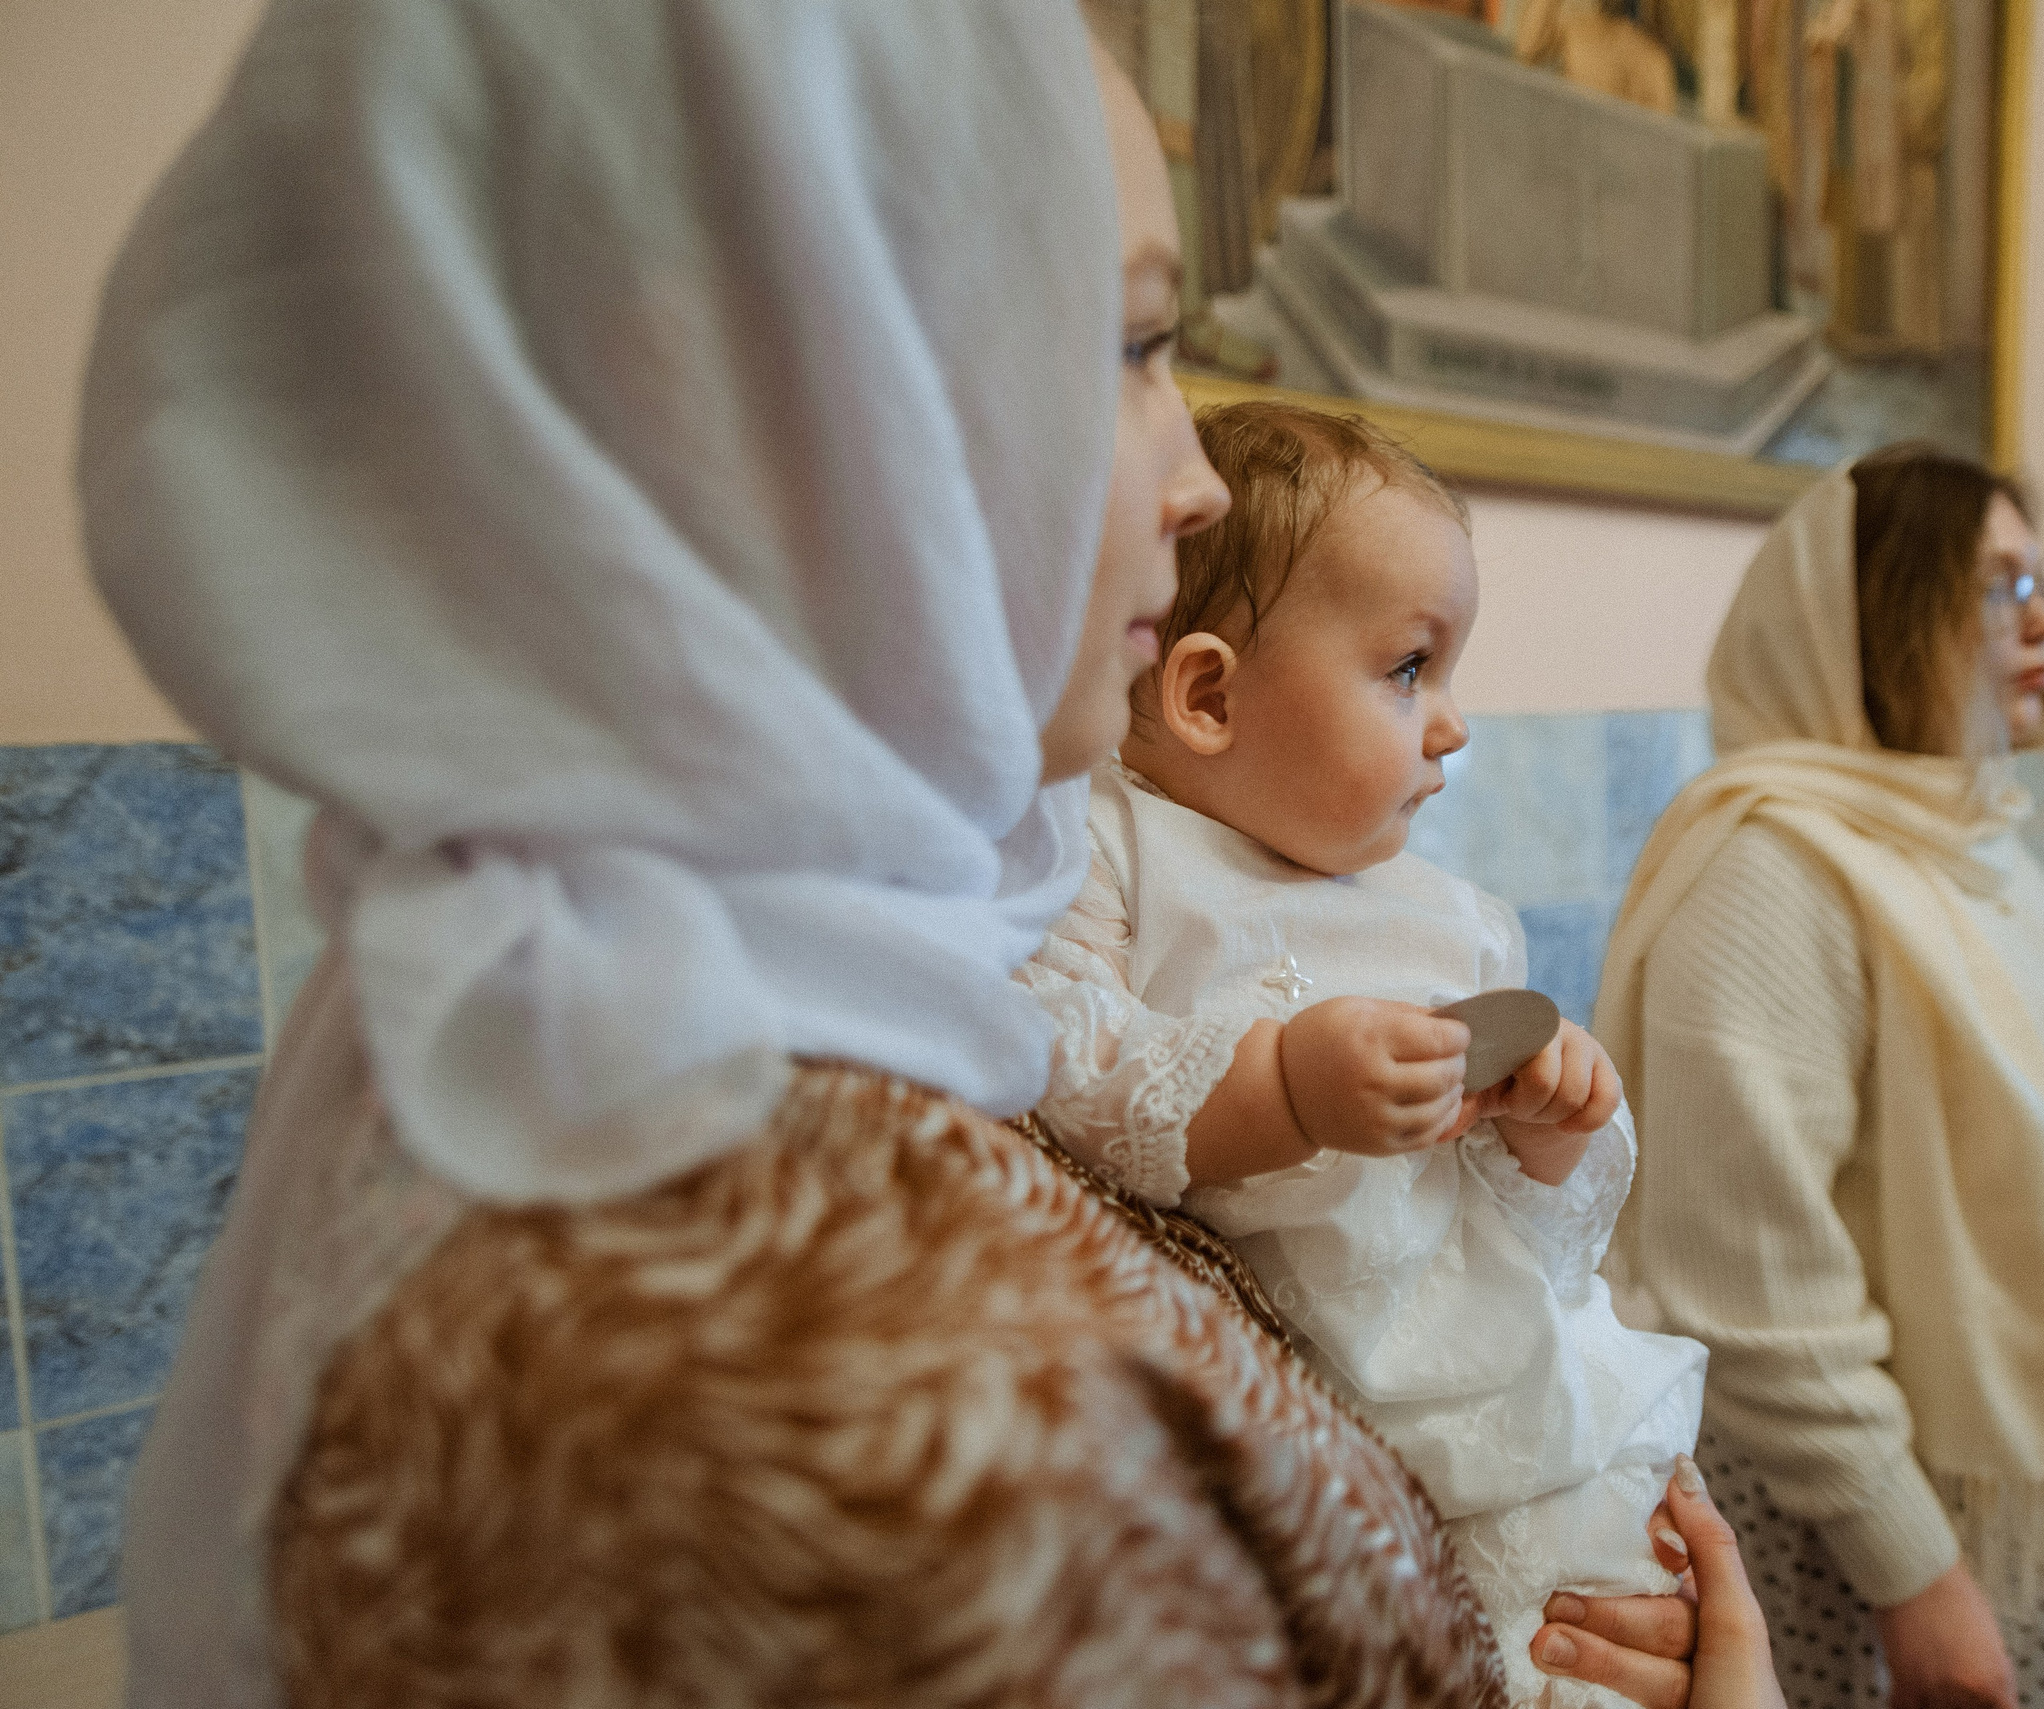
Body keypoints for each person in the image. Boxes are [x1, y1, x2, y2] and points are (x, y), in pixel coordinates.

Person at [80, 2, 1783, 1703]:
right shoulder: (866, 1427)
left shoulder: (726, 1017)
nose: (1191, 478)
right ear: (786, 406)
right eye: (1130, 349)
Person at [1017, 399, 1708, 1708]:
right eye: (1410, 670)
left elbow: (1532, 1233)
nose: (1451, 725)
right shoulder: (1111, 845)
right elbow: (1069, 1058)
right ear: (1208, 693)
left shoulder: (1452, 920)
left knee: (1615, 1635)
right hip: (1352, 1445)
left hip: (1529, 1397)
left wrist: (1558, 1125)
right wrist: (1282, 1086)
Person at [1595, 445, 2044, 1709]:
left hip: (1995, 1473)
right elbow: (1746, 1283)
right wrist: (1914, 1572)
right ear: (1870, 616)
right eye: (1997, 585)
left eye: (2043, 579)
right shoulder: (1771, 871)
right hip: (1838, 1514)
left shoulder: (1974, 845)